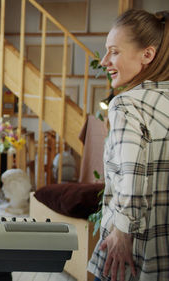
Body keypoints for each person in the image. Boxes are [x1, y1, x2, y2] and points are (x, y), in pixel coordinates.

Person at [87, 9, 169, 281]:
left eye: (114, 52)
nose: (105, 60)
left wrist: (122, 232)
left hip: (129, 255)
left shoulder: (127, 104)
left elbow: (132, 177)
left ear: (147, 55)